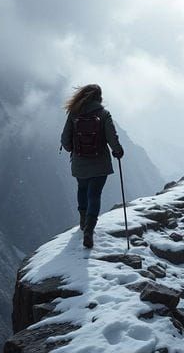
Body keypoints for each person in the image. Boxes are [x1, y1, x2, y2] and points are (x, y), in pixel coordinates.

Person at [60, 83, 124, 249]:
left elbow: (65, 139)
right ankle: (89, 228)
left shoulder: (74, 114)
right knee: (94, 194)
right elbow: (112, 137)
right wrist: (118, 151)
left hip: (80, 162)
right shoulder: (104, 114)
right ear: (99, 97)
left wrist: (74, 150)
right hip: (99, 162)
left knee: (82, 189)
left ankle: (83, 220)